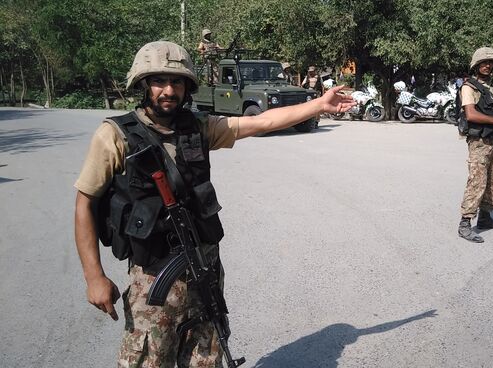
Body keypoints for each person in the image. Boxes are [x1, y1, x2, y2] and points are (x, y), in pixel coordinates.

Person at [73, 41, 355, 368]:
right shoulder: (115, 136)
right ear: (143, 85)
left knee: (207, 358)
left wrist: (319, 104)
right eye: (158, 81)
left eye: (176, 82)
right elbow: (85, 204)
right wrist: (94, 276)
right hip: (153, 282)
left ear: (187, 86)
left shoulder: (200, 128)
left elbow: (261, 122)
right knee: (148, 359)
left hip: (204, 272)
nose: (168, 90)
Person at [456, 47, 493, 243]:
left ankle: (485, 218)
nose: (487, 65)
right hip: (479, 142)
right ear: (476, 65)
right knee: (477, 181)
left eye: (490, 63)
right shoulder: (469, 87)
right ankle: (465, 223)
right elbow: (471, 114)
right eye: (483, 62)